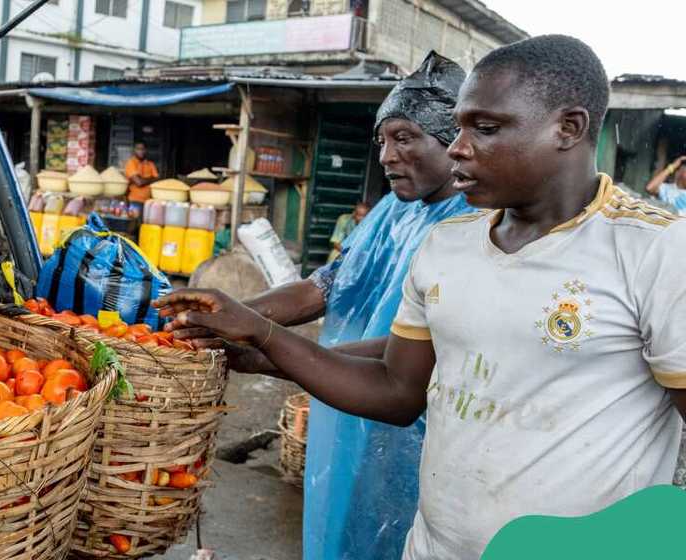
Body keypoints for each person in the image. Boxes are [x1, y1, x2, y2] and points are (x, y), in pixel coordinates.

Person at [157, 35, 686, 560]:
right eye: (457, 127)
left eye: (485, 128)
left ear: (568, 128)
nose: (458, 146)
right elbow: (395, 387)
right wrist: (265, 341)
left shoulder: (655, 249)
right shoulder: (449, 243)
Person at [245, 51, 474, 560]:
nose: (387, 156)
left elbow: (418, 351)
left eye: (404, 138)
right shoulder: (393, 210)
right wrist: (233, 315)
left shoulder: (475, 222)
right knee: (342, 521)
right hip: (345, 397)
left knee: (398, 532)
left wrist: (272, 350)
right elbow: (324, 286)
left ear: (450, 140)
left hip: (414, 422)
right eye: (382, 140)